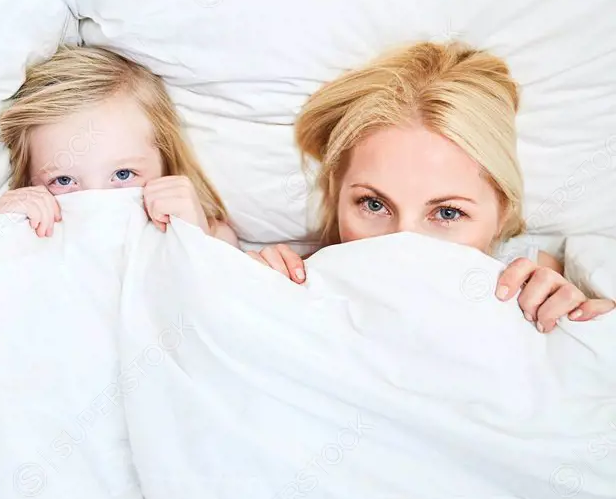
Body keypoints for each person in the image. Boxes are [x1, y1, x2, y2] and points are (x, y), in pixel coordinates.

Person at [252, 41, 615, 333]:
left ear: (502, 211)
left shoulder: (542, 283)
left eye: (447, 213)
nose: (403, 243)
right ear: (335, 194)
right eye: (373, 205)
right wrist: (239, 287)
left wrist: (587, 326)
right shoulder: (294, 281)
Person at [0, 44, 239, 246]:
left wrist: (197, 239)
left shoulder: (208, 234)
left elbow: (219, 302)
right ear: (29, 183)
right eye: (64, 180)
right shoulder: (32, 234)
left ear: (167, 164)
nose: (98, 204)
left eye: (123, 174)